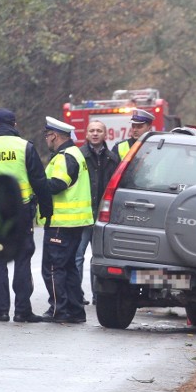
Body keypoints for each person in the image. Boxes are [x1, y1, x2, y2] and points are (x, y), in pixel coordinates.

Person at [0, 108, 52, 323]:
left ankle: (1, 311)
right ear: (15, 125)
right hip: (22, 210)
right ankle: (22, 310)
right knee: (23, 258)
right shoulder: (25, 147)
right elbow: (40, 183)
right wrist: (47, 210)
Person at [40, 116, 93, 323]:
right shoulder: (76, 153)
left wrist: (38, 185)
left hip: (62, 222)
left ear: (54, 135)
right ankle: (75, 311)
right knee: (68, 267)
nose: (46, 140)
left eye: (47, 136)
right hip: (74, 222)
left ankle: (57, 310)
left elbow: (58, 184)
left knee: (53, 268)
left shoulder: (64, 156)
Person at [75, 120, 119, 305]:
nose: (95, 133)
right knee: (78, 256)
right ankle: (76, 295)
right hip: (83, 215)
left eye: (98, 131)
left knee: (99, 258)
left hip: (103, 217)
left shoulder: (113, 159)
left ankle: (97, 296)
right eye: (92, 130)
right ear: (86, 134)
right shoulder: (78, 156)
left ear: (105, 134)